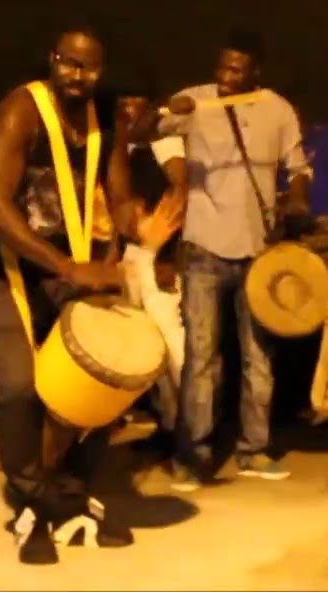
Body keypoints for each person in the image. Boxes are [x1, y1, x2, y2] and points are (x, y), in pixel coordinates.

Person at [0, 27, 180, 564]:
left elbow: (120, 198)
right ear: (52, 60)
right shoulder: (21, 111)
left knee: (105, 371)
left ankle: (74, 492)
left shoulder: (105, 118)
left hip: (65, 262)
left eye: (90, 68)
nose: (79, 77)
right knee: (19, 384)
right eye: (69, 64)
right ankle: (30, 501)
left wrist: (141, 225)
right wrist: (65, 267)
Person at [156, 30, 313, 492]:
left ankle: (254, 450)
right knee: (202, 359)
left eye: (236, 69)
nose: (225, 77)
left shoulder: (277, 109)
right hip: (203, 248)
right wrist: (168, 111)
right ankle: (193, 456)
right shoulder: (194, 101)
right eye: (222, 66)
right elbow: (146, 129)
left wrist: (297, 200)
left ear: (255, 71)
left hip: (257, 252)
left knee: (258, 358)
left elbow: (298, 168)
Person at [115, 73, 188, 444]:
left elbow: (181, 190)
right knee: (143, 345)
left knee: (173, 344)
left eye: (135, 102)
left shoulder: (163, 138)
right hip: (129, 255)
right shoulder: (122, 145)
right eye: (122, 103)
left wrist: (166, 255)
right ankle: (168, 424)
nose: (128, 110)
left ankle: (190, 430)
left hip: (155, 252)